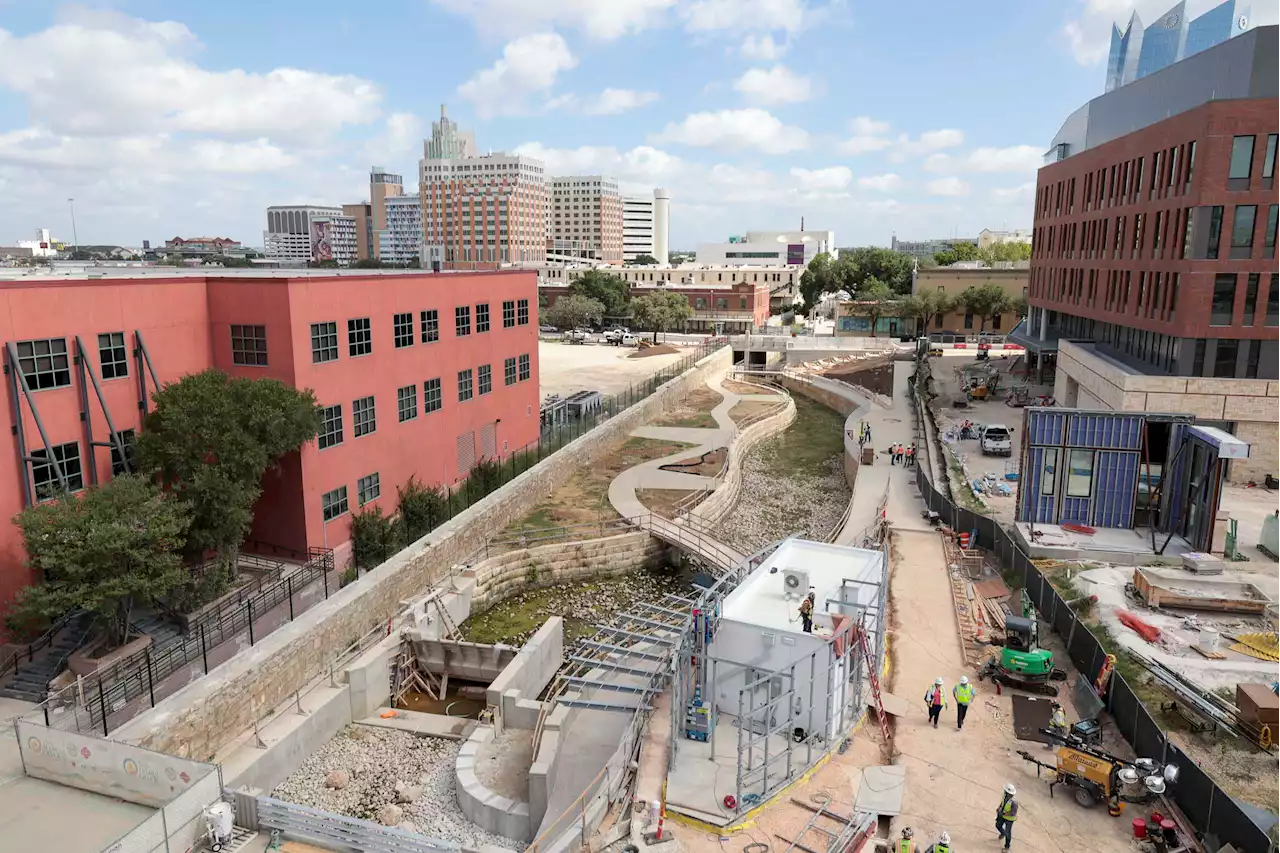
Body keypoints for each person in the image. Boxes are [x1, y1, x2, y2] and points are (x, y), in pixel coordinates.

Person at [995, 783, 1018, 850]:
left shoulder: (1014, 802)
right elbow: (1002, 803)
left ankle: (1007, 847)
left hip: (1009, 819)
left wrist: (1004, 813)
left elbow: (1013, 813)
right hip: (1002, 815)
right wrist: (999, 808)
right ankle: (1003, 833)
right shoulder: (1004, 796)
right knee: (998, 825)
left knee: (1008, 832)